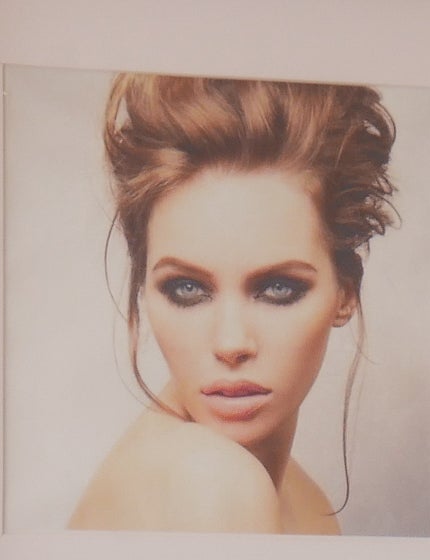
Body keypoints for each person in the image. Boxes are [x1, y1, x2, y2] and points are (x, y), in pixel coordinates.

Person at [71, 74, 397, 535]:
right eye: (186, 289)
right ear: (145, 287)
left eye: (279, 289)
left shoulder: (305, 499)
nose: (230, 343)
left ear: (345, 293)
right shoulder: (215, 485)